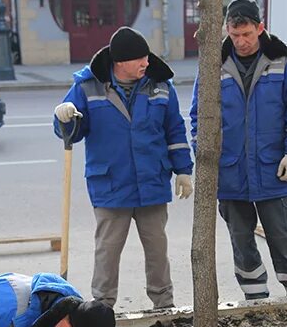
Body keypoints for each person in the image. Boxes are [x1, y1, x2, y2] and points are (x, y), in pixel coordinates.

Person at [54, 26, 193, 310]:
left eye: (147, 57)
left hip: (151, 182)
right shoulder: (87, 87)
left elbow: (174, 131)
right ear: (120, 62)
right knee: (107, 251)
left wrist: (183, 170)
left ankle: (164, 304)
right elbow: (71, 132)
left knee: (157, 250)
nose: (146, 63)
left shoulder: (160, 86)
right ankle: (101, 308)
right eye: (139, 59)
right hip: (111, 185)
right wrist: (64, 118)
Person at [190, 0, 287, 300]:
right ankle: (254, 300)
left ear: (260, 27)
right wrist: (204, 157)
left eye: (246, 34)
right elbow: (198, 116)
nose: (241, 42)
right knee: (241, 241)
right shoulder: (213, 63)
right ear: (226, 32)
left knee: (284, 237)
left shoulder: (285, 58)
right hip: (231, 172)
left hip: (274, 169)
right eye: (234, 36)